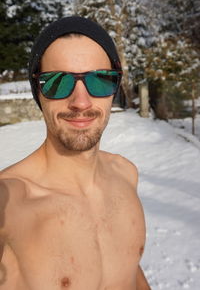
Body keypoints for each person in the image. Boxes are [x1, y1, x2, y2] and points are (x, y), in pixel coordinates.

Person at [0, 16, 151, 290]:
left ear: (114, 88)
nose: (81, 102)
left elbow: (130, 273)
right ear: (39, 91)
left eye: (100, 80)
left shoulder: (126, 175)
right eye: (58, 82)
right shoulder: (9, 205)